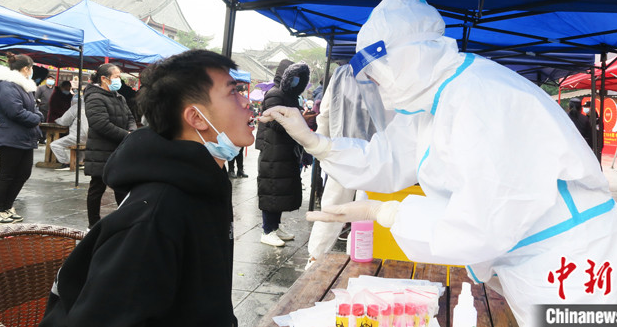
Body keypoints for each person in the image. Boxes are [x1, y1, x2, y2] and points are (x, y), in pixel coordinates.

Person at [262, 0, 617, 325]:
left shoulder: (481, 98)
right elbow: (389, 157)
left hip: (573, 261)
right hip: (527, 254)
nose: (374, 84)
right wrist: (318, 143)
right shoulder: (432, 98)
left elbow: (481, 224)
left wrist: (388, 215)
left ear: (404, 57)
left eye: (375, 71)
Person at [39, 50, 252, 327]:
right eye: (233, 92)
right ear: (197, 118)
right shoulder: (154, 219)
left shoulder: (207, 183)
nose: (247, 102)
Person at [306, 64, 380, 270]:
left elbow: (325, 115)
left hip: (342, 150)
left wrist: (324, 148)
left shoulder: (341, 74)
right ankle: (357, 258)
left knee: (333, 207)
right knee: (367, 212)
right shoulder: (390, 69)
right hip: (378, 155)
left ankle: (314, 258)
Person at [255, 59, 310, 247]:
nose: (295, 80)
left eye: (298, 77)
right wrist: (298, 124)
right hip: (273, 150)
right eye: (293, 76)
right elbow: (274, 120)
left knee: (279, 190)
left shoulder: (290, 95)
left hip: (284, 150)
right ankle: (267, 230)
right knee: (271, 188)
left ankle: (275, 227)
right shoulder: (274, 93)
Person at [0, 54, 43, 225]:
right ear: (26, 68)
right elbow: (16, 112)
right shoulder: (7, 86)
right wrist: (36, 118)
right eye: (31, 68)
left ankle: (7, 207)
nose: (32, 72)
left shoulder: (22, 86)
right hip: (9, 136)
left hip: (23, 136)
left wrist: (36, 115)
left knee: (24, 173)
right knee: (7, 174)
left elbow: (35, 108)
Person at [84, 63, 137, 228]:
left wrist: (132, 131)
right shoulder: (94, 97)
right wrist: (126, 135)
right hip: (101, 150)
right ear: (104, 79)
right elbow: (100, 124)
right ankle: (93, 224)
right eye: (115, 76)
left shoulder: (118, 96)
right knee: (97, 188)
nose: (118, 80)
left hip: (119, 149)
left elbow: (130, 117)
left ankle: (124, 221)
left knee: (121, 187)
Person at [50, 95, 88, 169]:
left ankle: (66, 163)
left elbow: (64, 121)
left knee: (55, 145)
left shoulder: (76, 107)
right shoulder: (95, 106)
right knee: (80, 143)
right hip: (92, 138)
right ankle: (79, 162)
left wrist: (57, 120)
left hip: (78, 136)